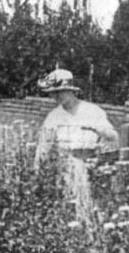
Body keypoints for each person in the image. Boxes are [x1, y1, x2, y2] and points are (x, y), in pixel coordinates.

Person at [35, 68, 118, 219]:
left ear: (71, 90)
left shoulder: (92, 111)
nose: (57, 96)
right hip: (66, 165)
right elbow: (43, 147)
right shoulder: (54, 116)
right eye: (54, 93)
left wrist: (97, 129)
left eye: (61, 91)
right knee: (69, 205)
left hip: (92, 164)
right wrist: (38, 170)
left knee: (93, 206)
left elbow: (113, 137)